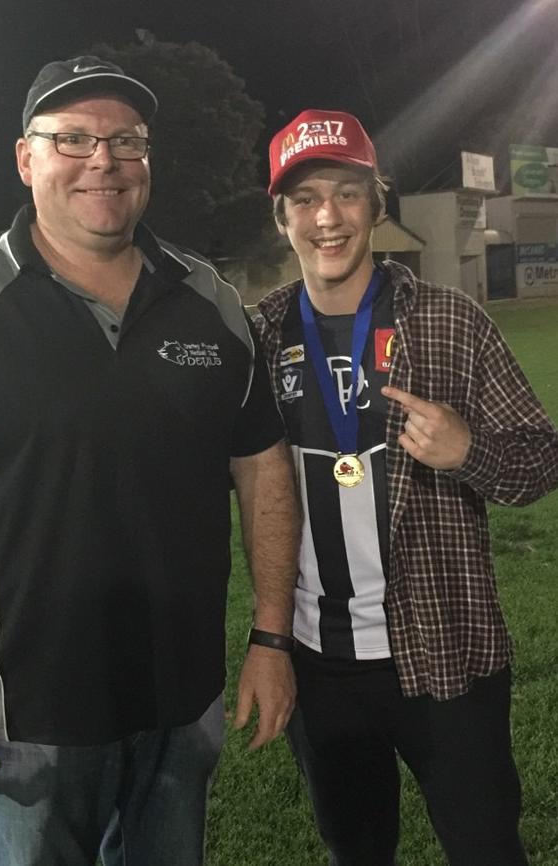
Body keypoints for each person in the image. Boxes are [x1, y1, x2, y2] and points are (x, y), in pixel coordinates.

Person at [0, 56, 299, 866]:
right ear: (26, 159)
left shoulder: (208, 297)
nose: (103, 161)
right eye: (72, 139)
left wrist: (270, 639)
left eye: (126, 141)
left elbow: (262, 464)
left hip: (179, 703)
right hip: (18, 723)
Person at [253, 108, 558, 865]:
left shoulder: (452, 320)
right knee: (357, 853)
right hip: (316, 662)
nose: (328, 217)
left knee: (487, 847)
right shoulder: (255, 339)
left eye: (348, 193)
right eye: (305, 199)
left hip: (446, 650)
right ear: (282, 218)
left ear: (377, 205)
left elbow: (541, 460)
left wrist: (469, 452)